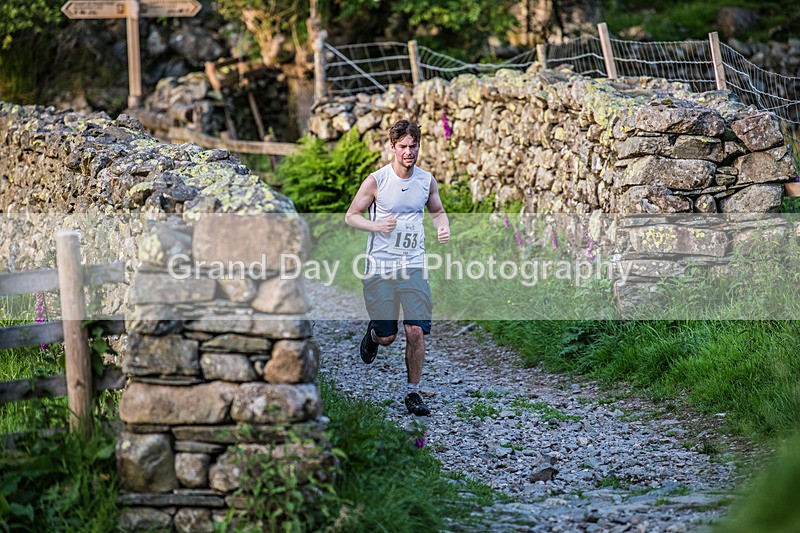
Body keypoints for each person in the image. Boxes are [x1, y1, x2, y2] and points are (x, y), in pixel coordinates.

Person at [345, 119, 450, 416]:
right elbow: (351, 216)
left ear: (419, 146)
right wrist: (376, 225)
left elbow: (438, 211)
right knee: (389, 336)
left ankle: (412, 393)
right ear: (392, 147)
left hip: (414, 265)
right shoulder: (377, 181)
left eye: (413, 146)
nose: (408, 152)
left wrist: (442, 227)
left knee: (415, 330)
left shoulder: (426, 180)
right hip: (380, 267)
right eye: (402, 146)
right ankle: (374, 335)